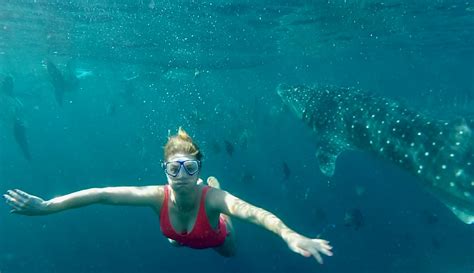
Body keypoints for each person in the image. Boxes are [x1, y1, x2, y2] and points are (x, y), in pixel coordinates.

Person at [3, 128, 333, 263]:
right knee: (175, 240)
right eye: (174, 169)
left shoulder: (213, 199)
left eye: (190, 169)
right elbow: (101, 194)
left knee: (228, 251)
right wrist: (46, 207)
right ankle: (180, 236)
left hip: (213, 233)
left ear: (199, 167)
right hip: (177, 232)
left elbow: (258, 213)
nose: (182, 177)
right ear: (164, 170)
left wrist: (289, 235)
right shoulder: (155, 195)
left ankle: (220, 219)